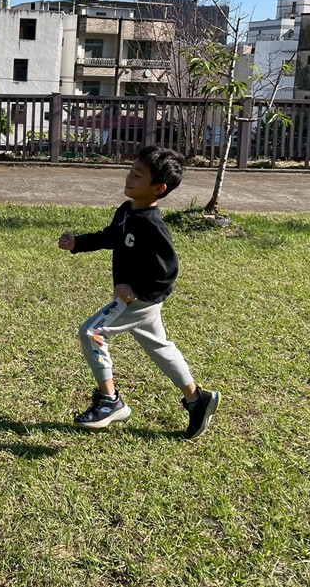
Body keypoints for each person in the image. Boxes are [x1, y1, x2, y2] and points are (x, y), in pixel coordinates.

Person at [57, 145, 219, 439]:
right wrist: (78, 242)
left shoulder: (153, 226)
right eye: (130, 171)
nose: (129, 178)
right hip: (142, 303)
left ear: (158, 188)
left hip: (139, 301)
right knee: (161, 348)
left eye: (138, 175)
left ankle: (110, 401)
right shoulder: (127, 210)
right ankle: (197, 399)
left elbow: (168, 270)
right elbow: (111, 237)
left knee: (91, 333)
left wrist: (136, 289)